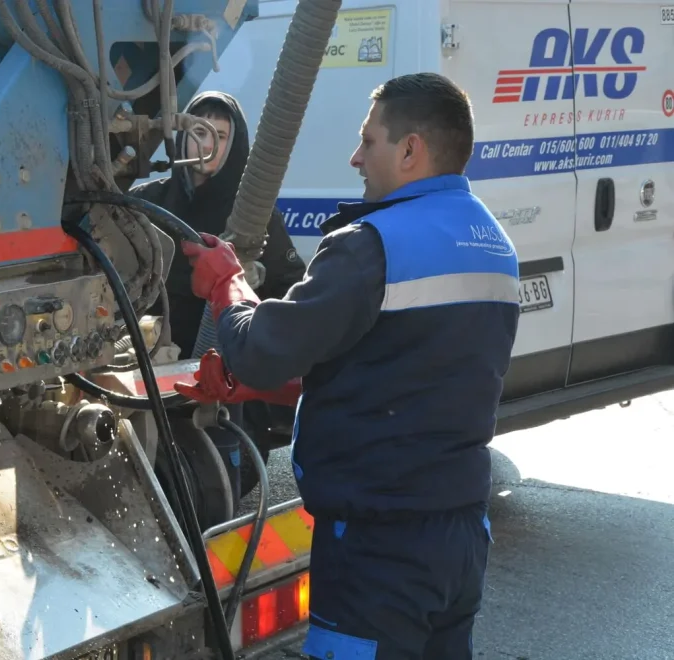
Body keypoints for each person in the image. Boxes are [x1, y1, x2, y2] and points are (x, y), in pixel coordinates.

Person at [174, 73, 521, 659]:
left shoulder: (371, 246)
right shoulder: (493, 243)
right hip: (459, 535)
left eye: (369, 140)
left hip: (377, 549)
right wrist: (259, 390)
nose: (356, 157)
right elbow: (398, 373)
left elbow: (259, 344)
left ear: (411, 150)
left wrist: (227, 284)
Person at [129, 91, 306, 513]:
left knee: (221, 480)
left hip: (227, 381)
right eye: (197, 132)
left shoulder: (252, 215)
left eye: (221, 136)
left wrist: (250, 290)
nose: (206, 145)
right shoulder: (151, 202)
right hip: (155, 372)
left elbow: (290, 284)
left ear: (236, 145)